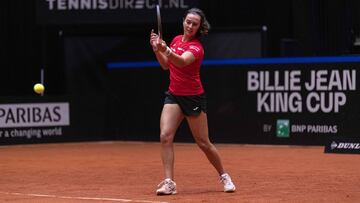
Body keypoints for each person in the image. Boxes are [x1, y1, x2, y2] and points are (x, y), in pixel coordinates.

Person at [149, 8, 236, 195]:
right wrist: (157, 50)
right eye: (188, 22)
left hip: (193, 97)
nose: (190, 26)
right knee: (165, 136)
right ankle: (169, 182)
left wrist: (166, 49)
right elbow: (166, 65)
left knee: (203, 142)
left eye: (194, 24)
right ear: (183, 21)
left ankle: (224, 175)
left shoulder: (197, 48)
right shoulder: (175, 40)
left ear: (199, 28)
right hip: (174, 95)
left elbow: (180, 61)